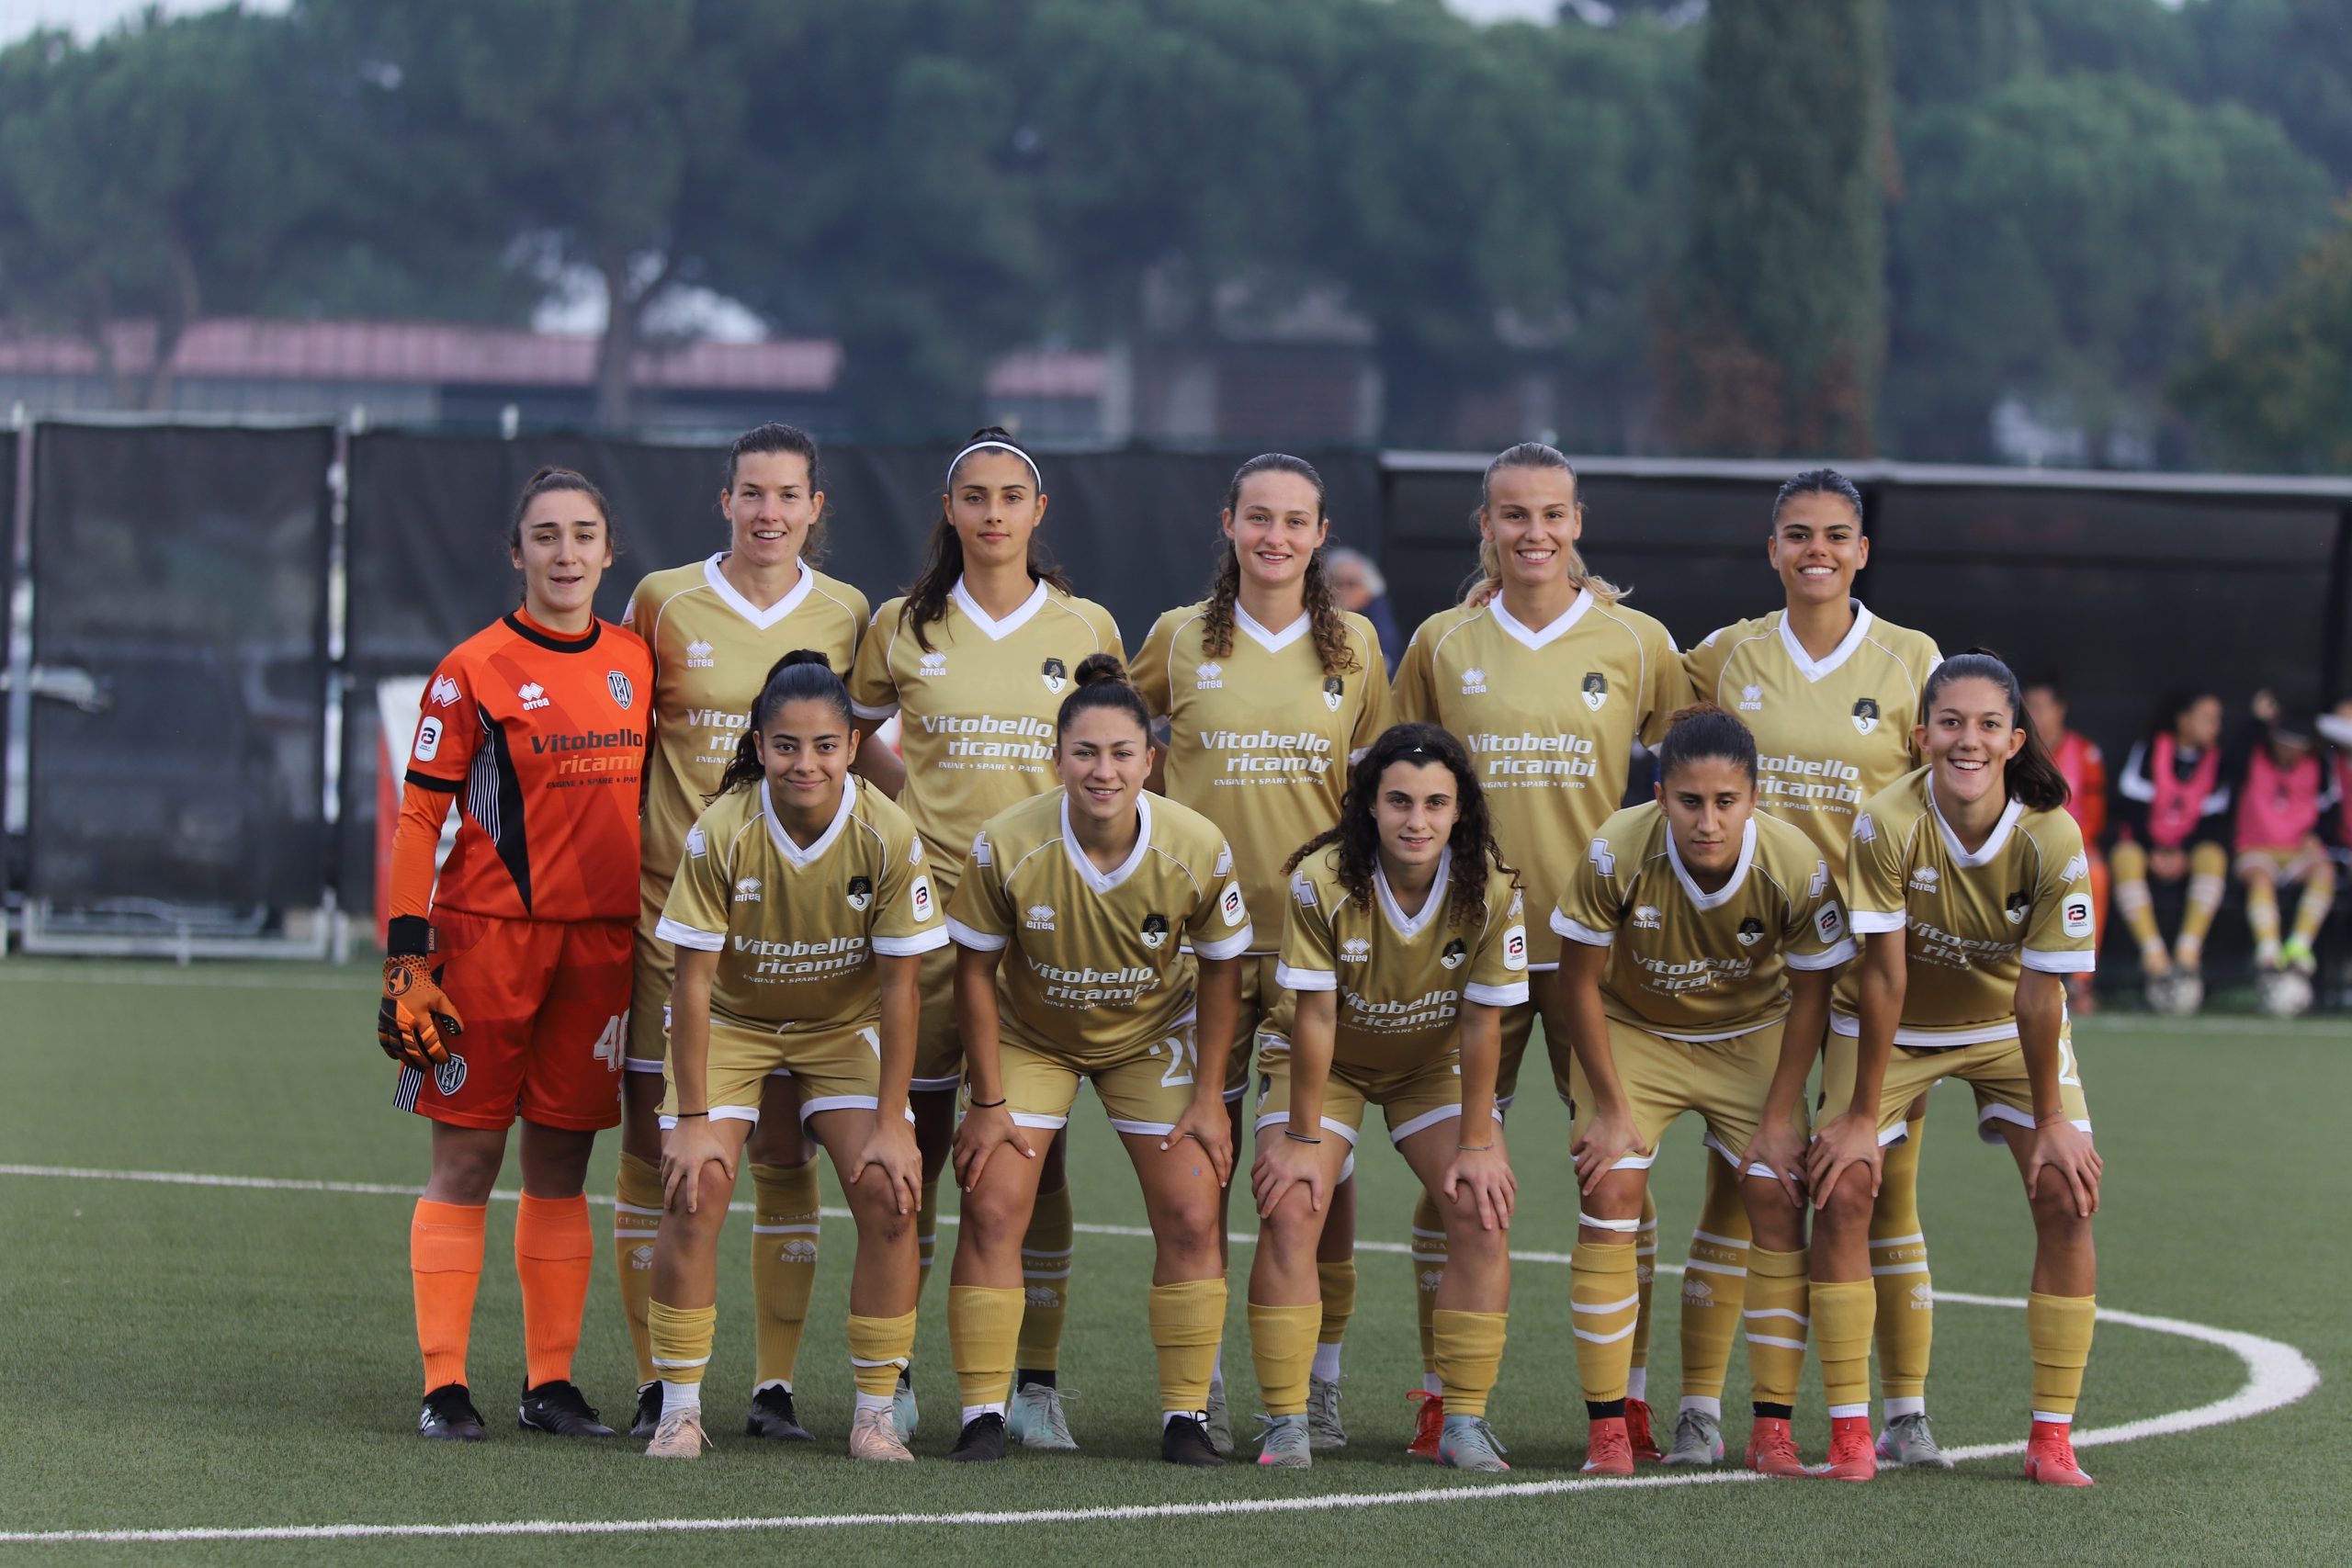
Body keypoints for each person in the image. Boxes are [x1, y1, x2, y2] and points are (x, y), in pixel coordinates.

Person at [1388, 442, 1686, 1457]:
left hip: (1595, 953)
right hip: (1465, 950)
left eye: (1552, 514)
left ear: (1577, 522)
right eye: (1513, 514)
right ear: (1485, 526)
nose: (1533, 532)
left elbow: (1695, 770)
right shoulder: (1441, 642)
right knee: (1452, 1176)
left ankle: (1628, 1396)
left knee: (1619, 1171)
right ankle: (1441, 1395)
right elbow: (1399, 782)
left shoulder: (1638, 641)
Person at [848, 428, 1123, 1450]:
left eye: (1012, 496)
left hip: (1042, 930)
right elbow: (851, 731)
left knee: (1034, 1163)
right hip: (923, 931)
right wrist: (910, 806)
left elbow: (1108, 752)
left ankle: (1035, 1384)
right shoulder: (900, 624)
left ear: (1038, 511)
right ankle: (897, 1374)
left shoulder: (1085, 624)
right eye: (975, 495)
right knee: (913, 1153)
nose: (993, 512)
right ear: (950, 509)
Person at [1670, 470, 1947, 1471]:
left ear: (1862, 551)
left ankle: (1904, 1414)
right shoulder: (1727, 655)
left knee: (1880, 1191)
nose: (1815, 550)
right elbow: (1633, 675)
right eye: (1797, 534)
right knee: (1737, 1185)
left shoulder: (1913, 659)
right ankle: (1699, 1411)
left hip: (1875, 966)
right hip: (1753, 967)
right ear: (1772, 548)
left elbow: (1944, 802)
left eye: (1835, 534)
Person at [613, 423, 884, 1444]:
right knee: (659, 1148)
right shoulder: (662, 600)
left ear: (817, 507)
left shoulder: (848, 611)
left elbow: (863, 757)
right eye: (752, 493)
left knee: (780, 1145)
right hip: (671, 923)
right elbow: (624, 743)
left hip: (803, 931)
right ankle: (658, 1382)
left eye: (788, 495)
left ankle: (773, 1387)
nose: (770, 512)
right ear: (723, 500)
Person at [379, 467, 651, 1442]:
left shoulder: (638, 659)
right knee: (467, 1155)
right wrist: (406, 958)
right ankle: (444, 1386)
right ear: (516, 552)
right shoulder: (472, 669)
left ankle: (551, 1384)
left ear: (609, 552)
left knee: (562, 1161)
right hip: (486, 943)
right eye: (545, 535)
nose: (565, 553)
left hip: (602, 947)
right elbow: (420, 816)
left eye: (582, 534)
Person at [1132, 453, 1390, 1454]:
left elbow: (1373, 792)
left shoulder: (1357, 645)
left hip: (1314, 950)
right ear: (1228, 523)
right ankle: (1199, 1387)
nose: (1275, 536)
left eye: (1294, 521)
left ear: (1321, 534)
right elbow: (1113, 743)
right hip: (1198, 946)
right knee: (1199, 1158)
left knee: (1317, 1170)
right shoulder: (1177, 637)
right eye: (1259, 518)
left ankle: (1318, 1383)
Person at [941, 654, 1252, 1466]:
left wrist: (1209, 1097)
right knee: (992, 1204)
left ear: (1150, 760)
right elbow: (973, 971)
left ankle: (1186, 1417)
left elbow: (1224, 970)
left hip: (1151, 1038)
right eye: (1085, 752)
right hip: (1032, 1036)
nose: (1103, 770)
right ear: (1057, 758)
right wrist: (987, 1101)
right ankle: (983, 1413)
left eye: (1121, 753)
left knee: (1193, 1209)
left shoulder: (1196, 843)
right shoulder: (1007, 842)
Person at [638, 652, 942, 1461]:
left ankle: (874, 1414)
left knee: (892, 1192)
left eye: (825, 746)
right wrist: (692, 1118)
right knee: (694, 1185)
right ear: (759, 745)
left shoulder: (888, 831)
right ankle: (679, 1411)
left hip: (840, 1030)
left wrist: (892, 1120)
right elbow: (692, 984)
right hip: (732, 1023)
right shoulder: (722, 830)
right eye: (785, 745)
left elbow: (901, 988)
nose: (806, 763)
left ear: (853, 746)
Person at [1809, 652, 2102, 1487]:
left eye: (1986, 725)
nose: (1967, 739)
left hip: (2006, 1026)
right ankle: (1851, 1432)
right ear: (1921, 735)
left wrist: (2053, 1122)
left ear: (2014, 740)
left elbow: (2041, 995)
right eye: (1950, 723)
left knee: (2067, 1193)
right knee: (1843, 1187)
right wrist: (1859, 1117)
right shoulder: (1886, 821)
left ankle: (2051, 1437)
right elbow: (1883, 976)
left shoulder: (2053, 833)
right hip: (1893, 1026)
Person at [1551, 704, 1853, 1478]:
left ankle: (1772, 1430)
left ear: (1754, 797)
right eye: (1690, 801)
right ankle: (1608, 1430)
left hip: (1749, 1034)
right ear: (1661, 795)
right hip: (1635, 1030)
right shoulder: (1616, 850)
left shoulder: (1795, 863)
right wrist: (1611, 1109)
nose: (1708, 821)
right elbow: (1577, 982)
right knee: (1610, 1186)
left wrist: (1781, 1116)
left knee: (1779, 1192)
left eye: (1726, 801)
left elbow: (1813, 993)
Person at [1248, 723, 1526, 1472]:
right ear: (1369, 804)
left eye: (1436, 803)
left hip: (1428, 1064)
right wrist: (1302, 1139)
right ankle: (1287, 1418)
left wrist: (1479, 1143)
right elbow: (1314, 1017)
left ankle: (1462, 1420)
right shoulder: (1321, 879)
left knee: (1482, 1207)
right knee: (1291, 1203)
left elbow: (1483, 1022)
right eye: (1399, 800)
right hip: (1326, 1060)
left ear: (1461, 810)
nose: (1417, 820)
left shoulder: (1492, 887)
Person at [2111, 690, 2232, 1013]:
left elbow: (2214, 821)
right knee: (2124, 856)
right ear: (2183, 720)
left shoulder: (2217, 760)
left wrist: (2182, 852)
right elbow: (2131, 806)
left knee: (2213, 856)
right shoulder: (2152, 749)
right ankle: (2154, 956)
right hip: (2148, 847)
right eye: (2207, 718)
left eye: (2217, 719)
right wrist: (2154, 850)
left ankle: (2187, 954)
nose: (2215, 726)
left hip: (2187, 851)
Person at [2229, 695, 2337, 1009]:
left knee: (2325, 870)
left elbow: (2330, 810)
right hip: (2256, 848)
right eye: (2284, 743)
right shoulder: (2253, 756)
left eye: (2296, 745)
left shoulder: (2318, 766)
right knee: (2260, 879)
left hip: (2296, 852)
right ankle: (2269, 950)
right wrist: (2256, 721)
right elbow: (2230, 760)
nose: (2289, 751)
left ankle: (2299, 945)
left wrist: (2317, 836)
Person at [2025, 675, 2109, 1017]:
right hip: (2026, 845)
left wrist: (2073, 845)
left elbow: (2095, 813)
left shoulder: (2084, 752)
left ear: (2060, 710)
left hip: (2074, 846)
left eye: (2042, 707)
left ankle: (2080, 981)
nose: (2036, 715)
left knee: (2095, 873)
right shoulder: (2015, 750)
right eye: (2030, 707)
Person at [1324, 546, 1401, 674]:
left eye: (1351, 583)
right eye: (1336, 583)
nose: (1342, 590)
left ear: (1369, 589)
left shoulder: (1380, 624)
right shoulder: (1316, 617)